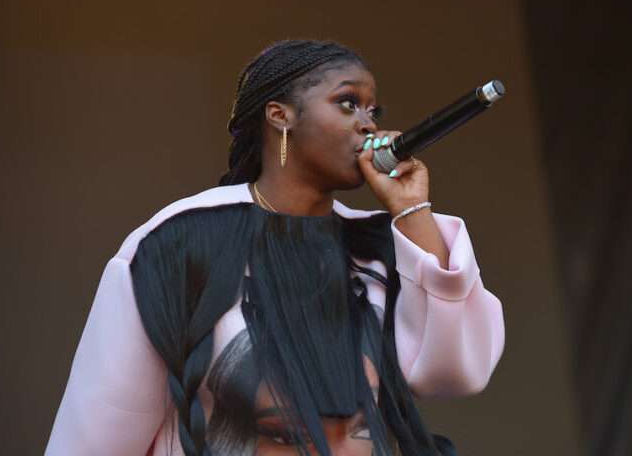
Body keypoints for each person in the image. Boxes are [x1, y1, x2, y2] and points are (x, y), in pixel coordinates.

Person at [45, 39, 505, 455]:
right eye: (348, 104)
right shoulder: (182, 240)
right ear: (279, 115)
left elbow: (457, 371)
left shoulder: (377, 245)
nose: (368, 126)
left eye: (373, 112)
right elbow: (102, 426)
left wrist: (412, 211)